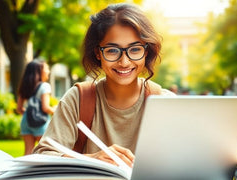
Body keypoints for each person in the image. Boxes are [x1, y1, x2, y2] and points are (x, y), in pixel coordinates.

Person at [33, 3, 175, 167]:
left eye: (135, 49)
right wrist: (90, 160)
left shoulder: (166, 102)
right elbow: (42, 156)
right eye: (112, 50)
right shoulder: (78, 99)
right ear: (98, 53)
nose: (124, 61)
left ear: (147, 51)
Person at [17, 60, 56, 155]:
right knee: (45, 151)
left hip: (26, 121)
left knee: (28, 152)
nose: (48, 71)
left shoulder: (24, 86)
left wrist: (30, 114)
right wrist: (55, 110)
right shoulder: (45, 86)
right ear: (39, 71)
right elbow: (45, 108)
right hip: (40, 122)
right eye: (46, 68)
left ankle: (23, 170)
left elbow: (19, 109)